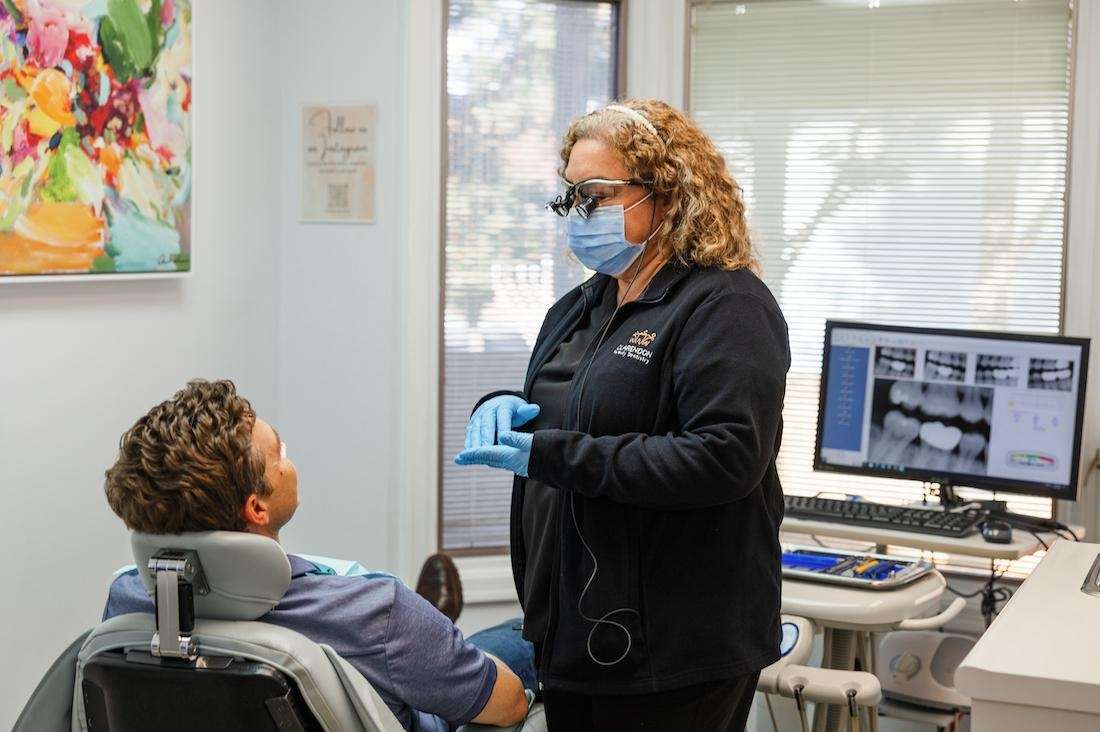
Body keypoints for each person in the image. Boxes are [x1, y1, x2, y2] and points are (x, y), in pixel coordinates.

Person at [454, 99, 790, 731]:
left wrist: (548, 453)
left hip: (675, 648)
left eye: (596, 194)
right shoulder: (581, 307)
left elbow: (724, 457)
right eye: (571, 196)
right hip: (573, 634)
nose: (579, 214)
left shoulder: (726, 306)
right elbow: (573, 408)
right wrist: (498, 410)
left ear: (664, 194)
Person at [101, 379, 529, 732]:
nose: (288, 462)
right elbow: (509, 706)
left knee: (431, 648)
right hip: (427, 711)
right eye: (280, 455)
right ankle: (433, 635)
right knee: (521, 639)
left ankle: (432, 638)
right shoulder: (371, 610)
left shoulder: (129, 602)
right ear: (256, 508)